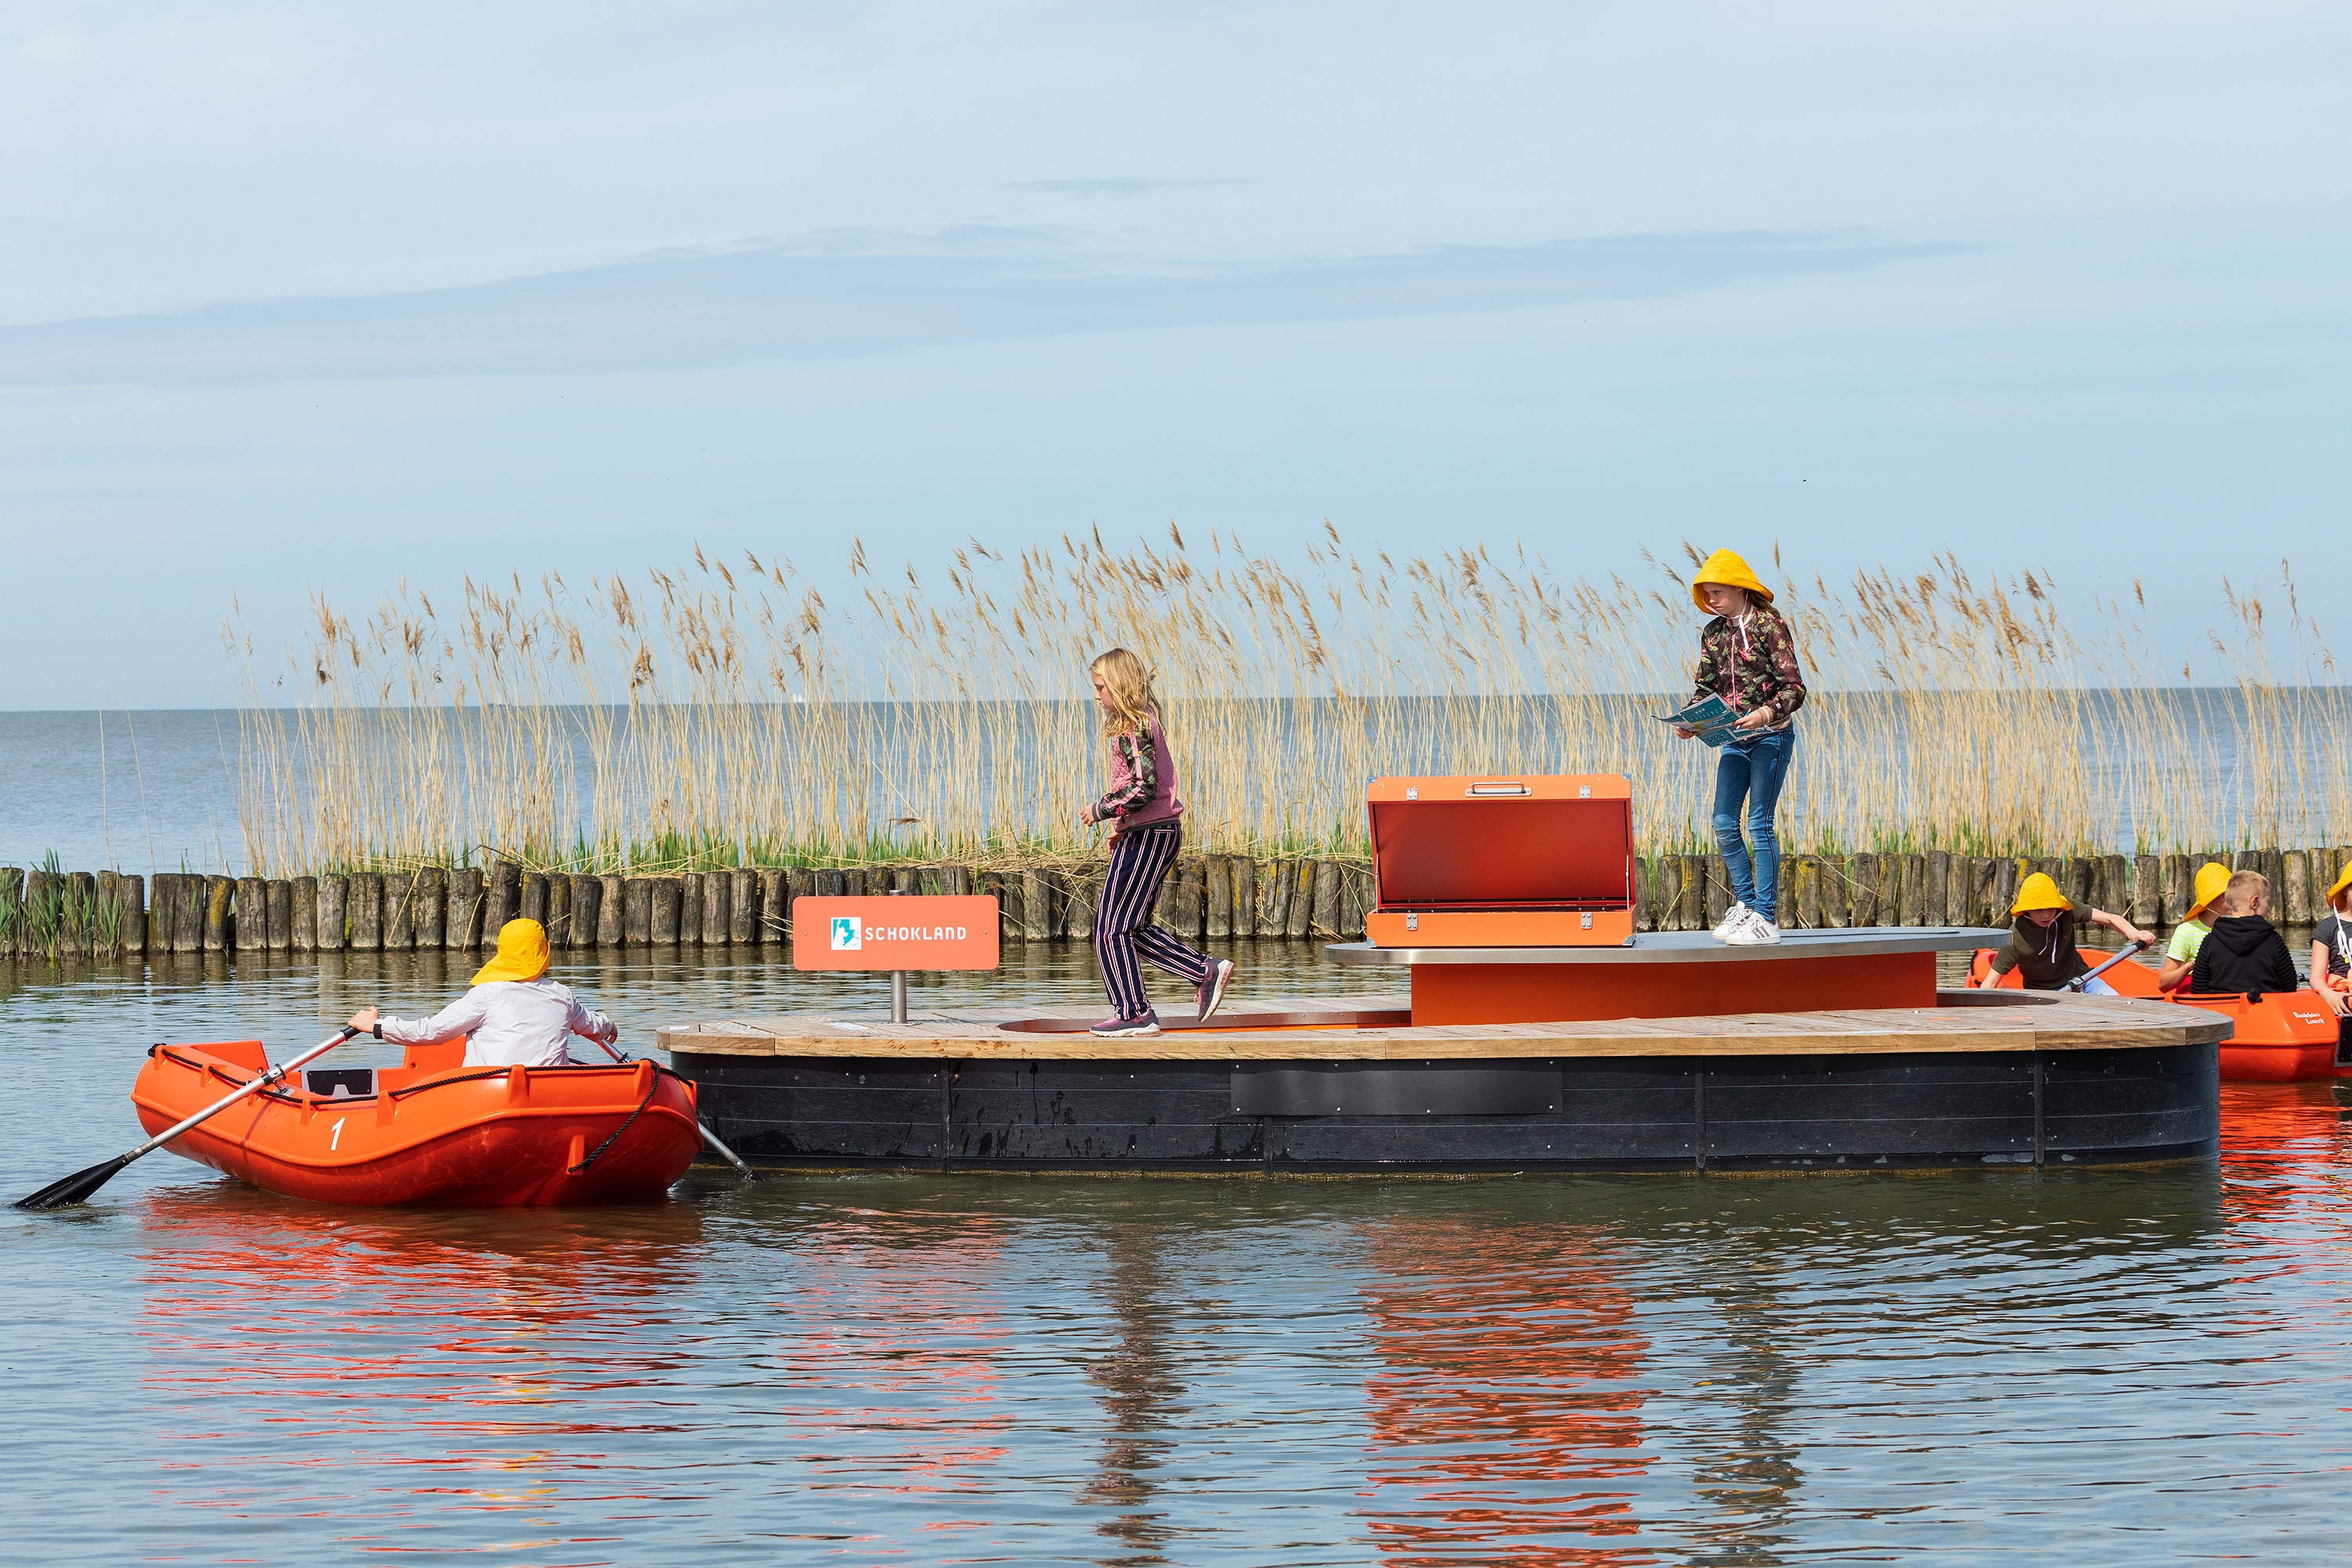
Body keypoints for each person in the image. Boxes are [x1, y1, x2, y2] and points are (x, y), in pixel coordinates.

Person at [1078, 648, 1234, 1037]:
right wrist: (1122, 824)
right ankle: (1203, 971)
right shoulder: (1138, 723)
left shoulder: (1133, 725)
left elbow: (1144, 786)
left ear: (1119, 685)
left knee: (1109, 929)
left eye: (1100, 688)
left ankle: (1134, 1013)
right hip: (1149, 832)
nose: (1096, 696)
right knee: (1131, 926)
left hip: (1150, 834)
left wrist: (1102, 808)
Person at [1674, 549, 1806, 946]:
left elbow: (1794, 688)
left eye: (1718, 592)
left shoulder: (1770, 625)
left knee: (1758, 825)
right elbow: (1705, 686)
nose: (1712, 600)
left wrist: (1765, 715)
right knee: (1724, 823)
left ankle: (1766, 917)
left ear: (1740, 587)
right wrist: (1692, 719)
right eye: (1707, 594)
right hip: (1732, 739)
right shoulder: (1713, 633)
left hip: (1771, 736)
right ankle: (1746, 907)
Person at [347, 916, 618, 1066]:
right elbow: (593, 1026)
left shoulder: (487, 994)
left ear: (501, 952)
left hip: (490, 1095)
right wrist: (609, 1026)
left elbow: (431, 1032)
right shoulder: (562, 995)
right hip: (548, 1093)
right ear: (544, 954)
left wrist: (377, 1025)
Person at [1974, 871, 2156, 993]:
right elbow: (1990, 983)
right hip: (2046, 994)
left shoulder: (2066, 910)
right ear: (2026, 910)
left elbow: (2110, 919)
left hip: (2085, 978)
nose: (2046, 915)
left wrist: (2134, 934)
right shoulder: (2015, 938)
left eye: (2051, 908)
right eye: (2039, 909)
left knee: (2116, 1006)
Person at [2188, 870, 2299, 998]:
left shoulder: (2210, 940)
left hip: (2223, 1013)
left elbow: (2198, 989)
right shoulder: (2273, 940)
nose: (2268, 908)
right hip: (2266, 1011)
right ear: (2254, 902)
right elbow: (2290, 986)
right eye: (2267, 901)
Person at [2155, 861, 2233, 993]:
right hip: (2194, 994)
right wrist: (2190, 966)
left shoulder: (2234, 928)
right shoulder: (2186, 931)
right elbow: (2164, 983)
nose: (2234, 898)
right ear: (2210, 899)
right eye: (2227, 894)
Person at [2310, 865, 2352, 1042]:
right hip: (2341, 995)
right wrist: (2328, 995)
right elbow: (2316, 977)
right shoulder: (2328, 928)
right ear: (2344, 891)